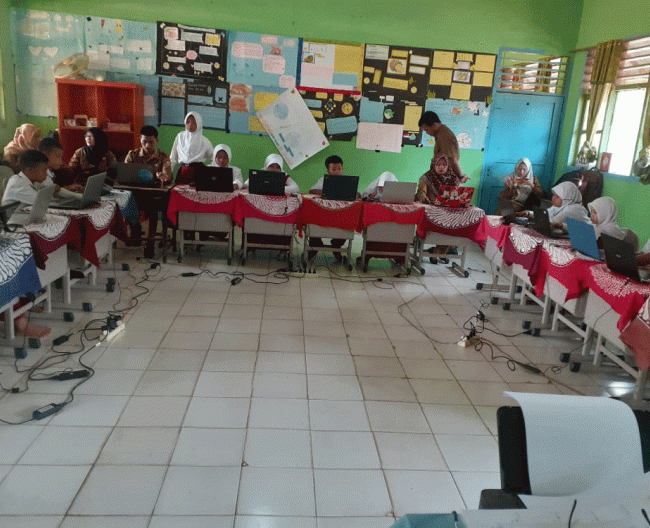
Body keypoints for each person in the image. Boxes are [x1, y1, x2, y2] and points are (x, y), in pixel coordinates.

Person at [124, 126, 173, 257]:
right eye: (144, 142)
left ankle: (150, 241)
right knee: (126, 199)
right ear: (140, 140)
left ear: (157, 141)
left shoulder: (163, 157)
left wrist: (162, 176)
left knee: (153, 206)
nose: (147, 145)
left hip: (153, 196)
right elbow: (124, 174)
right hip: (135, 194)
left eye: (151, 142)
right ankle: (135, 229)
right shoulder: (132, 155)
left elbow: (168, 175)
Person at [308, 155, 346, 261]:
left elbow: (357, 194)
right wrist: (329, 191)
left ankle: (336, 244)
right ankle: (315, 244)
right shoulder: (323, 180)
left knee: (349, 221)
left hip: (340, 214)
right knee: (312, 218)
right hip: (323, 213)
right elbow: (312, 191)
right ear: (328, 170)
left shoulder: (346, 181)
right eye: (333, 169)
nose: (337, 171)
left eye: (339, 169)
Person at [418, 111, 468, 181]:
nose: (426, 133)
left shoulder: (444, 135)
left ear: (434, 125)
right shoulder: (440, 133)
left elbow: (451, 159)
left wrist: (461, 176)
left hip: (447, 177)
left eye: (427, 129)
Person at [170, 112, 213, 185]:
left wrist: (208, 172)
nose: (190, 125)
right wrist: (170, 172)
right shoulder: (180, 137)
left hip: (199, 173)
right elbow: (173, 158)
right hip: (183, 172)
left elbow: (213, 158)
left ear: (199, 124)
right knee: (180, 191)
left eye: (194, 123)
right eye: (188, 122)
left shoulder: (204, 141)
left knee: (196, 192)